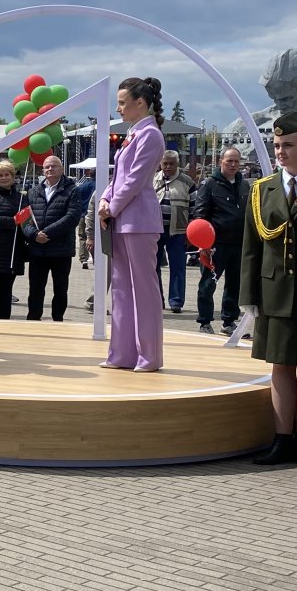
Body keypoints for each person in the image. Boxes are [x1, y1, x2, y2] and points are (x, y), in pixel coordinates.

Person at [241, 111, 297, 464]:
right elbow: (250, 247)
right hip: (274, 290)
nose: (281, 152)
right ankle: (282, 438)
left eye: (288, 145)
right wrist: (248, 296)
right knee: (280, 366)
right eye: (277, 145)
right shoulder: (263, 189)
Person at [97, 77, 168, 372]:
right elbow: (118, 178)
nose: (118, 108)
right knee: (122, 291)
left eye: (123, 103)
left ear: (141, 103)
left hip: (138, 220)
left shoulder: (150, 134)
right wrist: (103, 200)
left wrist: (110, 208)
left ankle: (149, 356)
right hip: (122, 219)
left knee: (144, 291)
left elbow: (136, 180)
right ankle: (122, 354)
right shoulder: (133, 134)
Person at [192, 147, 247, 335]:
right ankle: (205, 322)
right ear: (220, 162)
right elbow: (200, 214)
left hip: (238, 244)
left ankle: (229, 321)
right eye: (229, 161)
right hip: (215, 246)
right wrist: (203, 244)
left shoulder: (245, 185)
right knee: (208, 284)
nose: (233, 165)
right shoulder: (209, 184)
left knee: (234, 284)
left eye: (236, 161)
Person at [26, 153, 83, 322]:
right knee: (35, 289)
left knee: (60, 289)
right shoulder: (33, 191)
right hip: (37, 249)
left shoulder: (72, 190)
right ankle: (33, 320)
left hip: (61, 250)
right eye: (47, 167)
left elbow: (72, 217)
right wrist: (34, 234)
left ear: (62, 169)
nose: (50, 169)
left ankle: (58, 320)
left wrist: (47, 233)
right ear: (42, 170)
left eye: (54, 166)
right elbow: (24, 217)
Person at [153, 150, 195, 313]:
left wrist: (191, 231)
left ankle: (176, 301)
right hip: (154, 230)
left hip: (178, 231)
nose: (168, 166)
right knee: (153, 266)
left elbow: (194, 207)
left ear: (177, 164)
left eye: (172, 163)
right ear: (160, 163)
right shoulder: (152, 179)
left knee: (178, 267)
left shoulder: (187, 182)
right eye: (165, 163)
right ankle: (157, 299)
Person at [0, 160, 28, 319]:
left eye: (7, 174)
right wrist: (12, 221)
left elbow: (26, 220)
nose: (3, 178)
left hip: (14, 251)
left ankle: (5, 321)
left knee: (6, 291)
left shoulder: (20, 197)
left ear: (13, 176)